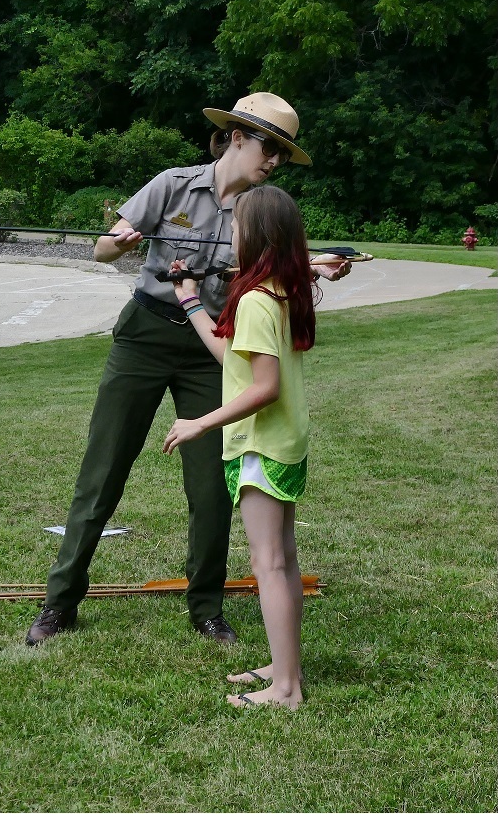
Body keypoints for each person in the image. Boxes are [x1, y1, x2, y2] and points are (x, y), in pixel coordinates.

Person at [26, 92, 349, 647]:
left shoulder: (262, 204)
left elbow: (276, 261)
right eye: (269, 148)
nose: (273, 162)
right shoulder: (174, 184)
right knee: (102, 472)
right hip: (145, 334)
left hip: (214, 344)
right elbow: (103, 249)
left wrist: (315, 264)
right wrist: (117, 242)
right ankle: (60, 603)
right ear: (239, 136)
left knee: (211, 487)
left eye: (281, 154)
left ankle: (206, 607)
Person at [163, 184, 313, 709]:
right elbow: (235, 358)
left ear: (256, 235)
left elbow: (262, 386)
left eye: (237, 226)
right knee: (283, 560)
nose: (231, 234)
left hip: (261, 445)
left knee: (267, 562)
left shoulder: (253, 299)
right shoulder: (280, 290)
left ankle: (286, 689)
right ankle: (283, 665)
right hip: (284, 441)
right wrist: (188, 299)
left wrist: (199, 424)